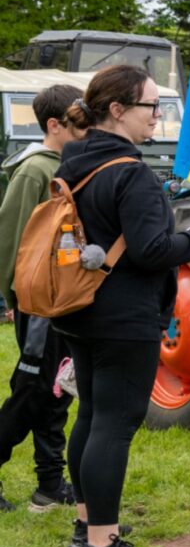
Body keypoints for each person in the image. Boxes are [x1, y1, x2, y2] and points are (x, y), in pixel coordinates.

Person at [55, 65, 190, 547]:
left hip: (79, 308)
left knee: (90, 415)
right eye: (152, 106)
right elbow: (152, 250)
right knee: (115, 423)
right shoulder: (131, 172)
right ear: (118, 110)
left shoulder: (75, 160)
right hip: (124, 315)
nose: (158, 117)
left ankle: (88, 524)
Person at [0, 83, 85, 514]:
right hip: (37, 305)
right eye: (78, 121)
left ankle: (50, 483)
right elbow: (10, 236)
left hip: (65, 302)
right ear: (55, 125)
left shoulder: (71, 164)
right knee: (31, 391)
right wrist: (15, 295)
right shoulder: (35, 169)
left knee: (56, 393)